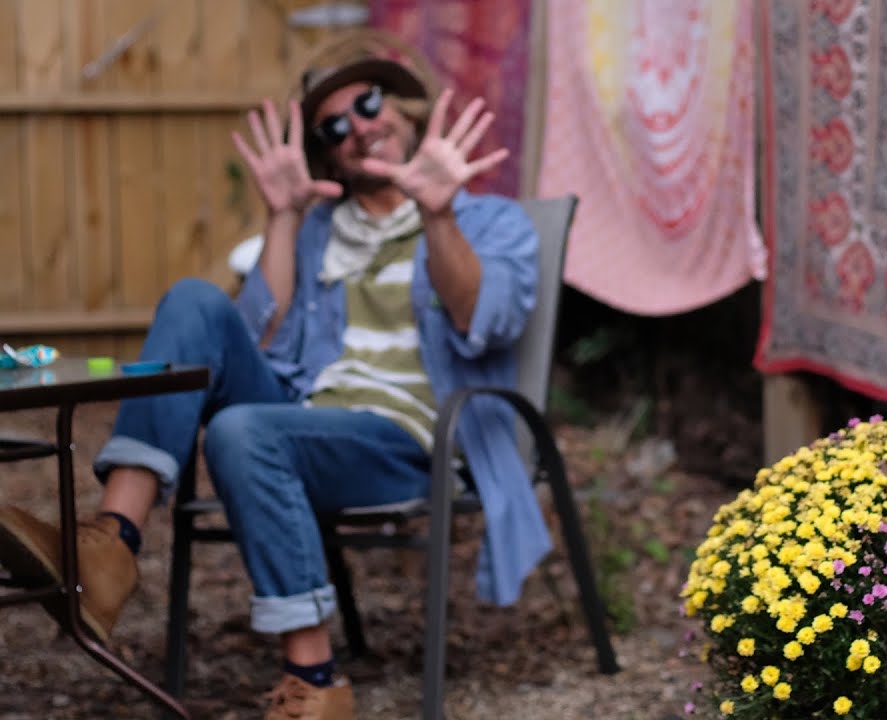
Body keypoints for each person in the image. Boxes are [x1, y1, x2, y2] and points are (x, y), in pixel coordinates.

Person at [0, 35, 552, 720]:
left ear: (406, 109)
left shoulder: (492, 221)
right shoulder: (320, 233)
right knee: (194, 302)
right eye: (333, 126)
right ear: (327, 154)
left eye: (368, 104)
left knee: (243, 430)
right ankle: (112, 543)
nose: (357, 129)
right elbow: (254, 346)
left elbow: (483, 321)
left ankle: (315, 681)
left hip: (410, 442)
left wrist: (436, 214)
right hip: (303, 420)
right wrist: (284, 218)